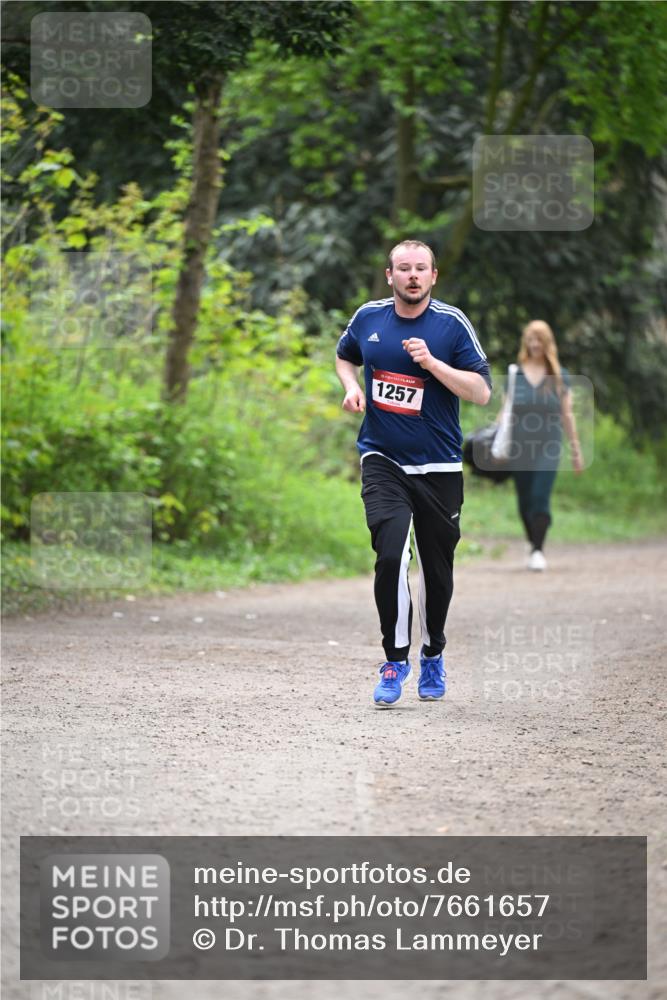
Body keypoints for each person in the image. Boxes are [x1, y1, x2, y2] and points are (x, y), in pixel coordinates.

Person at [335, 240, 491, 708]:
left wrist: (433, 363)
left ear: (433, 276)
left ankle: (434, 653)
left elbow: (482, 392)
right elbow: (346, 355)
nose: (412, 276)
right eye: (403, 268)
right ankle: (394, 659)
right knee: (389, 556)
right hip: (382, 458)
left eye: (420, 268)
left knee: (437, 571)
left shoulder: (451, 324)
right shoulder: (368, 318)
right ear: (390, 276)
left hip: (439, 466)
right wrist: (349, 387)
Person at [503, 319, 583, 572]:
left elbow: (566, 415)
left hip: (549, 445)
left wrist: (575, 449)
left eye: (539, 340)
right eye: (531, 339)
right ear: (526, 342)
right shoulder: (515, 375)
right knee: (524, 500)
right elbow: (505, 413)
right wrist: (494, 440)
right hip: (519, 446)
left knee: (540, 496)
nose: (535, 344)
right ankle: (532, 541)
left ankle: (538, 549)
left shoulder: (560, 377)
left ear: (547, 343)